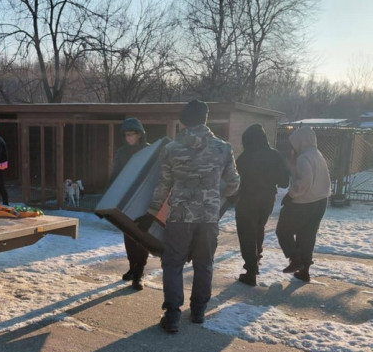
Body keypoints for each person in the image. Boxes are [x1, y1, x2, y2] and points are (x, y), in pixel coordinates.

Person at [142, 99, 240, 333]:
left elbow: (163, 184)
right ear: (205, 120)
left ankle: (173, 314)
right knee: (204, 264)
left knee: (173, 264)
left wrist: (152, 212)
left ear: (184, 121)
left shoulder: (172, 149)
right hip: (208, 218)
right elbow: (234, 183)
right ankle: (198, 311)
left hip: (179, 217)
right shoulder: (223, 148)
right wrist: (216, 197)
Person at [234, 123, 290, 286]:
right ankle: (256, 260)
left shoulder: (244, 158)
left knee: (246, 233)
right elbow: (284, 182)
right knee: (259, 228)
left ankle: (250, 271)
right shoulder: (275, 155)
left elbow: (234, 180)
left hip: (247, 199)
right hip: (267, 199)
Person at [275, 125, 331, 282]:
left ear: (301, 141)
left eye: (295, 142)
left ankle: (295, 260)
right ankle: (304, 271)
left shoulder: (304, 157)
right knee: (307, 235)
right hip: (321, 201)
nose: (293, 145)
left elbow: (305, 181)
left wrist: (291, 195)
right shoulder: (317, 154)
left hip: (305, 202)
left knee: (283, 231)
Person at [109, 116, 150, 291]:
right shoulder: (121, 153)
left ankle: (139, 272)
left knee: (142, 238)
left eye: (132, 134)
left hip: (144, 201)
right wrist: (111, 196)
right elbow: (115, 175)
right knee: (129, 237)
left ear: (140, 135)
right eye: (126, 135)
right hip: (126, 201)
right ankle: (132, 267)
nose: (129, 138)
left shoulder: (150, 151)